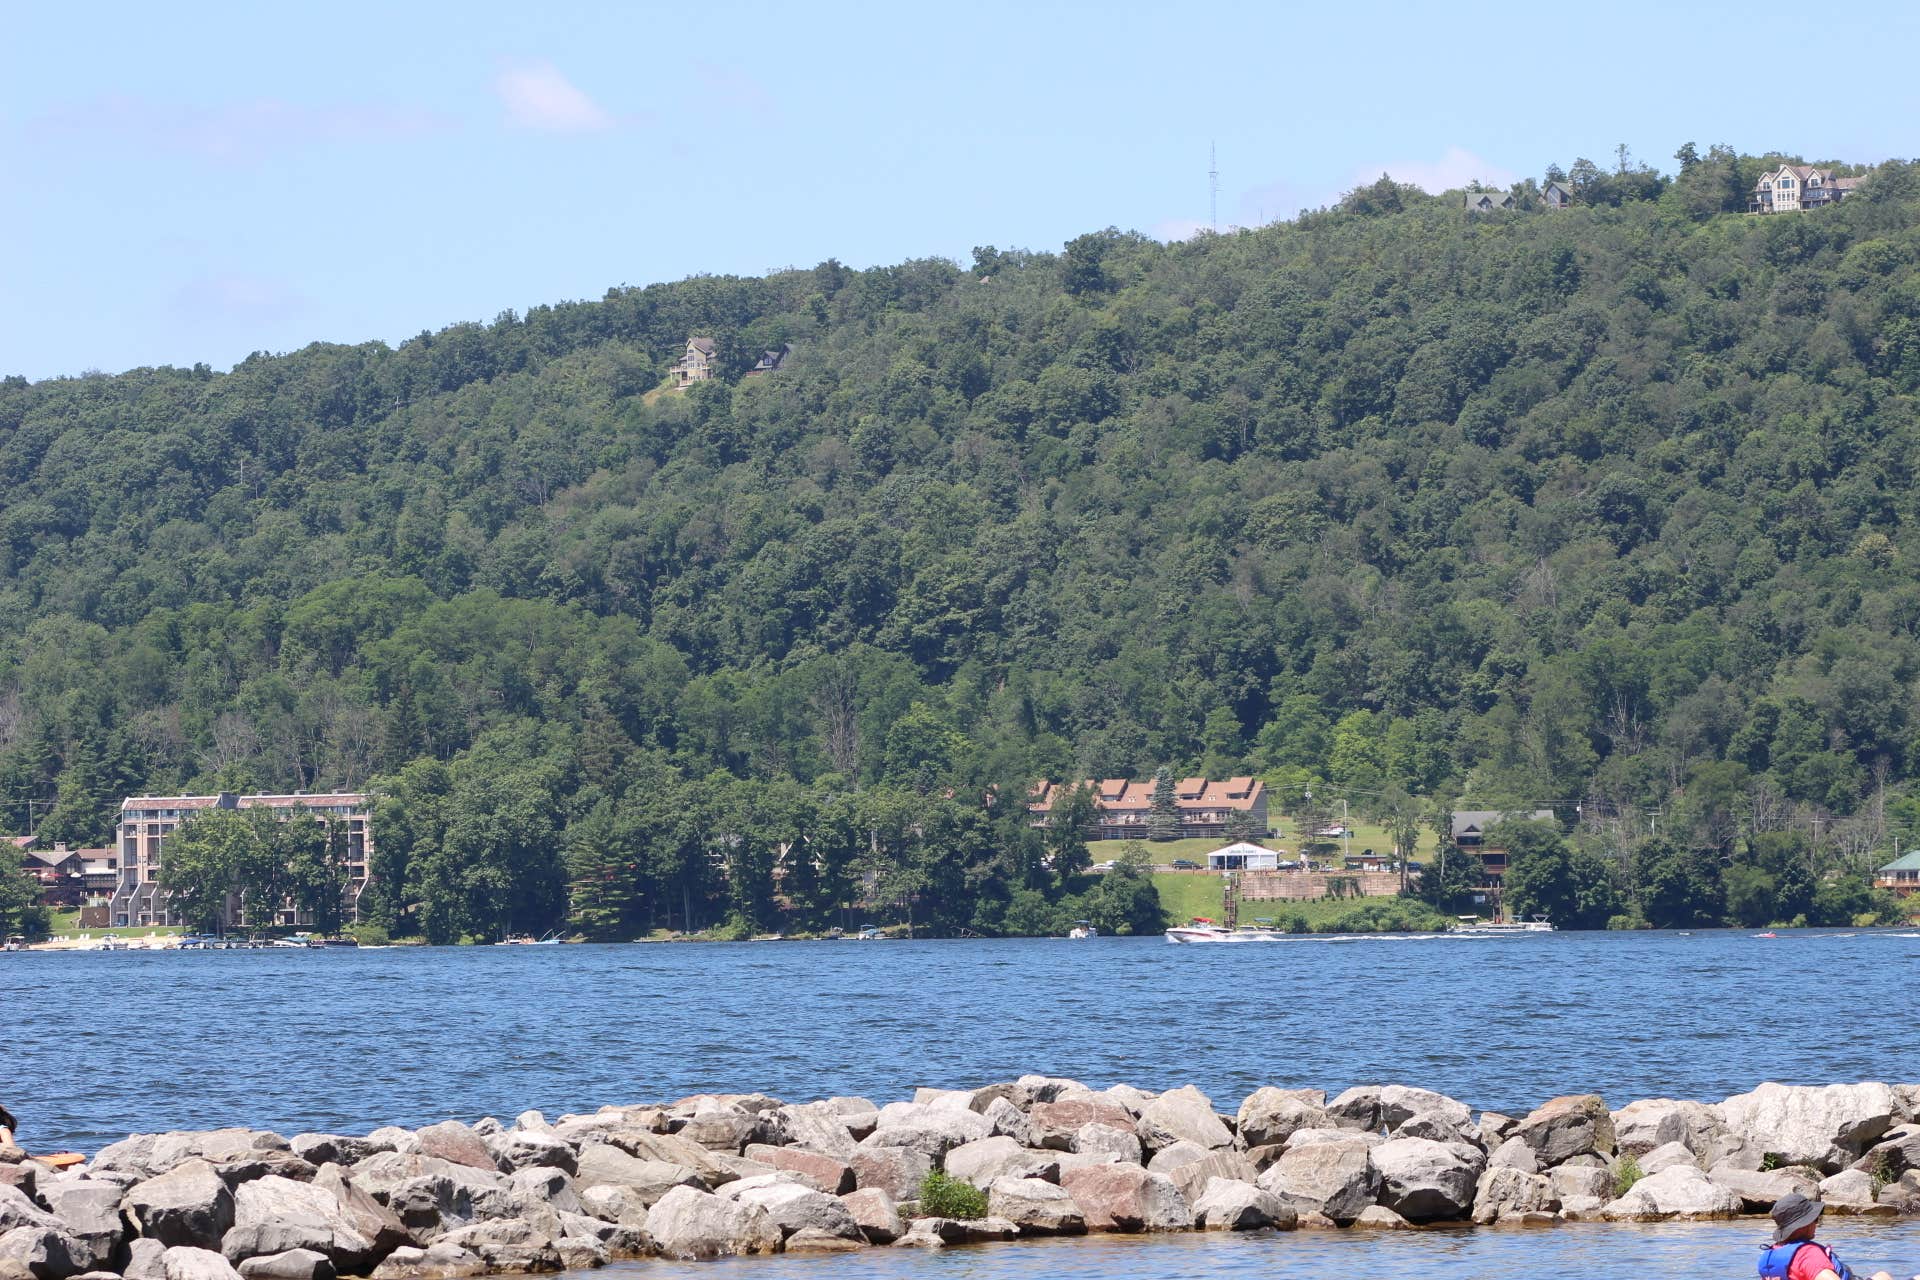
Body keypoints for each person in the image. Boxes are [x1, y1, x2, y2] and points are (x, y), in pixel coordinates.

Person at [1758, 1192, 1895, 1280]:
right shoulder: (1808, 1254)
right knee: (1883, 1276)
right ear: (1804, 1224)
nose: (1816, 1223)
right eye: (1815, 1219)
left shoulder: (1769, 1255)